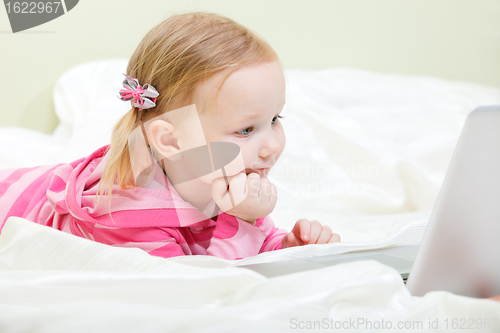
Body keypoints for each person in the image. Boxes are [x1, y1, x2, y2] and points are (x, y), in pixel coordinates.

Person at [0, 11, 340, 260]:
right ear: (171, 141)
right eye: (246, 130)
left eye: (276, 119)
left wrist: (285, 248)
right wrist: (244, 221)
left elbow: (238, 243)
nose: (272, 146)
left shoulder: (218, 176)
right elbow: (194, 294)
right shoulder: (130, 217)